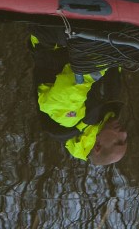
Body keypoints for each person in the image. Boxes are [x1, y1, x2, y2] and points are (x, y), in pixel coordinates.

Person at [30, 26, 128, 165]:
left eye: (118, 142)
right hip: (91, 38)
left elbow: (76, 79)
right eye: (125, 140)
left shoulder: (68, 121)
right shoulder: (107, 109)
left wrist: (108, 52)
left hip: (54, 34)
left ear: (97, 146)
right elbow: (115, 65)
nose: (124, 134)